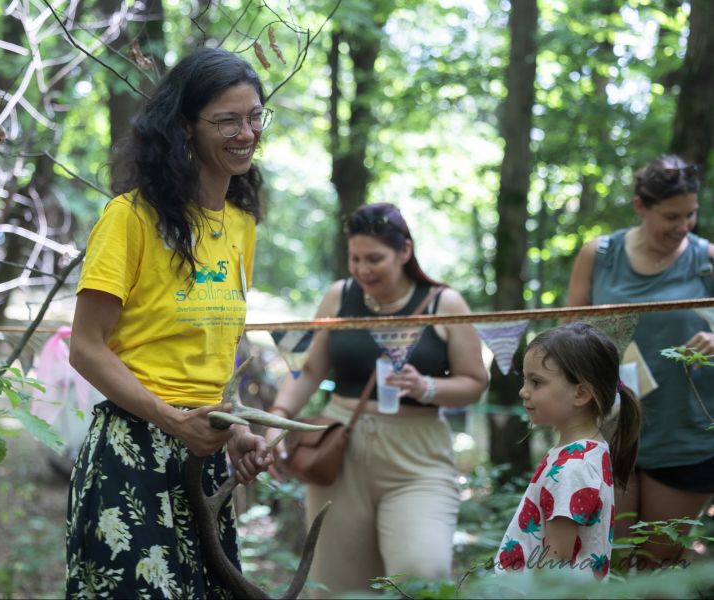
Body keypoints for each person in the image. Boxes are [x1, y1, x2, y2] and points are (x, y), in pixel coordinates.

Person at [65, 47, 274, 599]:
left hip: (203, 461)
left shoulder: (240, 225)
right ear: (185, 127)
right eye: (227, 120)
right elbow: (85, 347)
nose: (246, 133)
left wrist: (235, 429)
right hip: (131, 450)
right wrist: (172, 420)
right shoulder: (130, 218)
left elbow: (214, 354)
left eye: (255, 116)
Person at [264, 203, 488, 595]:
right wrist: (278, 418)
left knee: (421, 577)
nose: (363, 269)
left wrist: (427, 387)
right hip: (339, 451)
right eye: (355, 259)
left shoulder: (444, 302)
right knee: (336, 587)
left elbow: (475, 381)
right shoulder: (339, 296)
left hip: (417, 458)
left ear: (404, 251)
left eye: (374, 259)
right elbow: (309, 370)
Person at [567, 154, 714, 567]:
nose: (683, 226)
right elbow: (567, 337)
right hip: (608, 431)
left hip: (684, 436)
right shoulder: (600, 255)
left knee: (657, 572)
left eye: (690, 214)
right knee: (605, 565)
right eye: (671, 216)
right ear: (640, 207)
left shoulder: (707, 260)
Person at [494, 322, 641, 581]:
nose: (523, 391)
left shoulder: (574, 467)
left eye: (536, 382)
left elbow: (556, 561)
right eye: (525, 379)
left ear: (580, 394)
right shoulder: (588, 451)